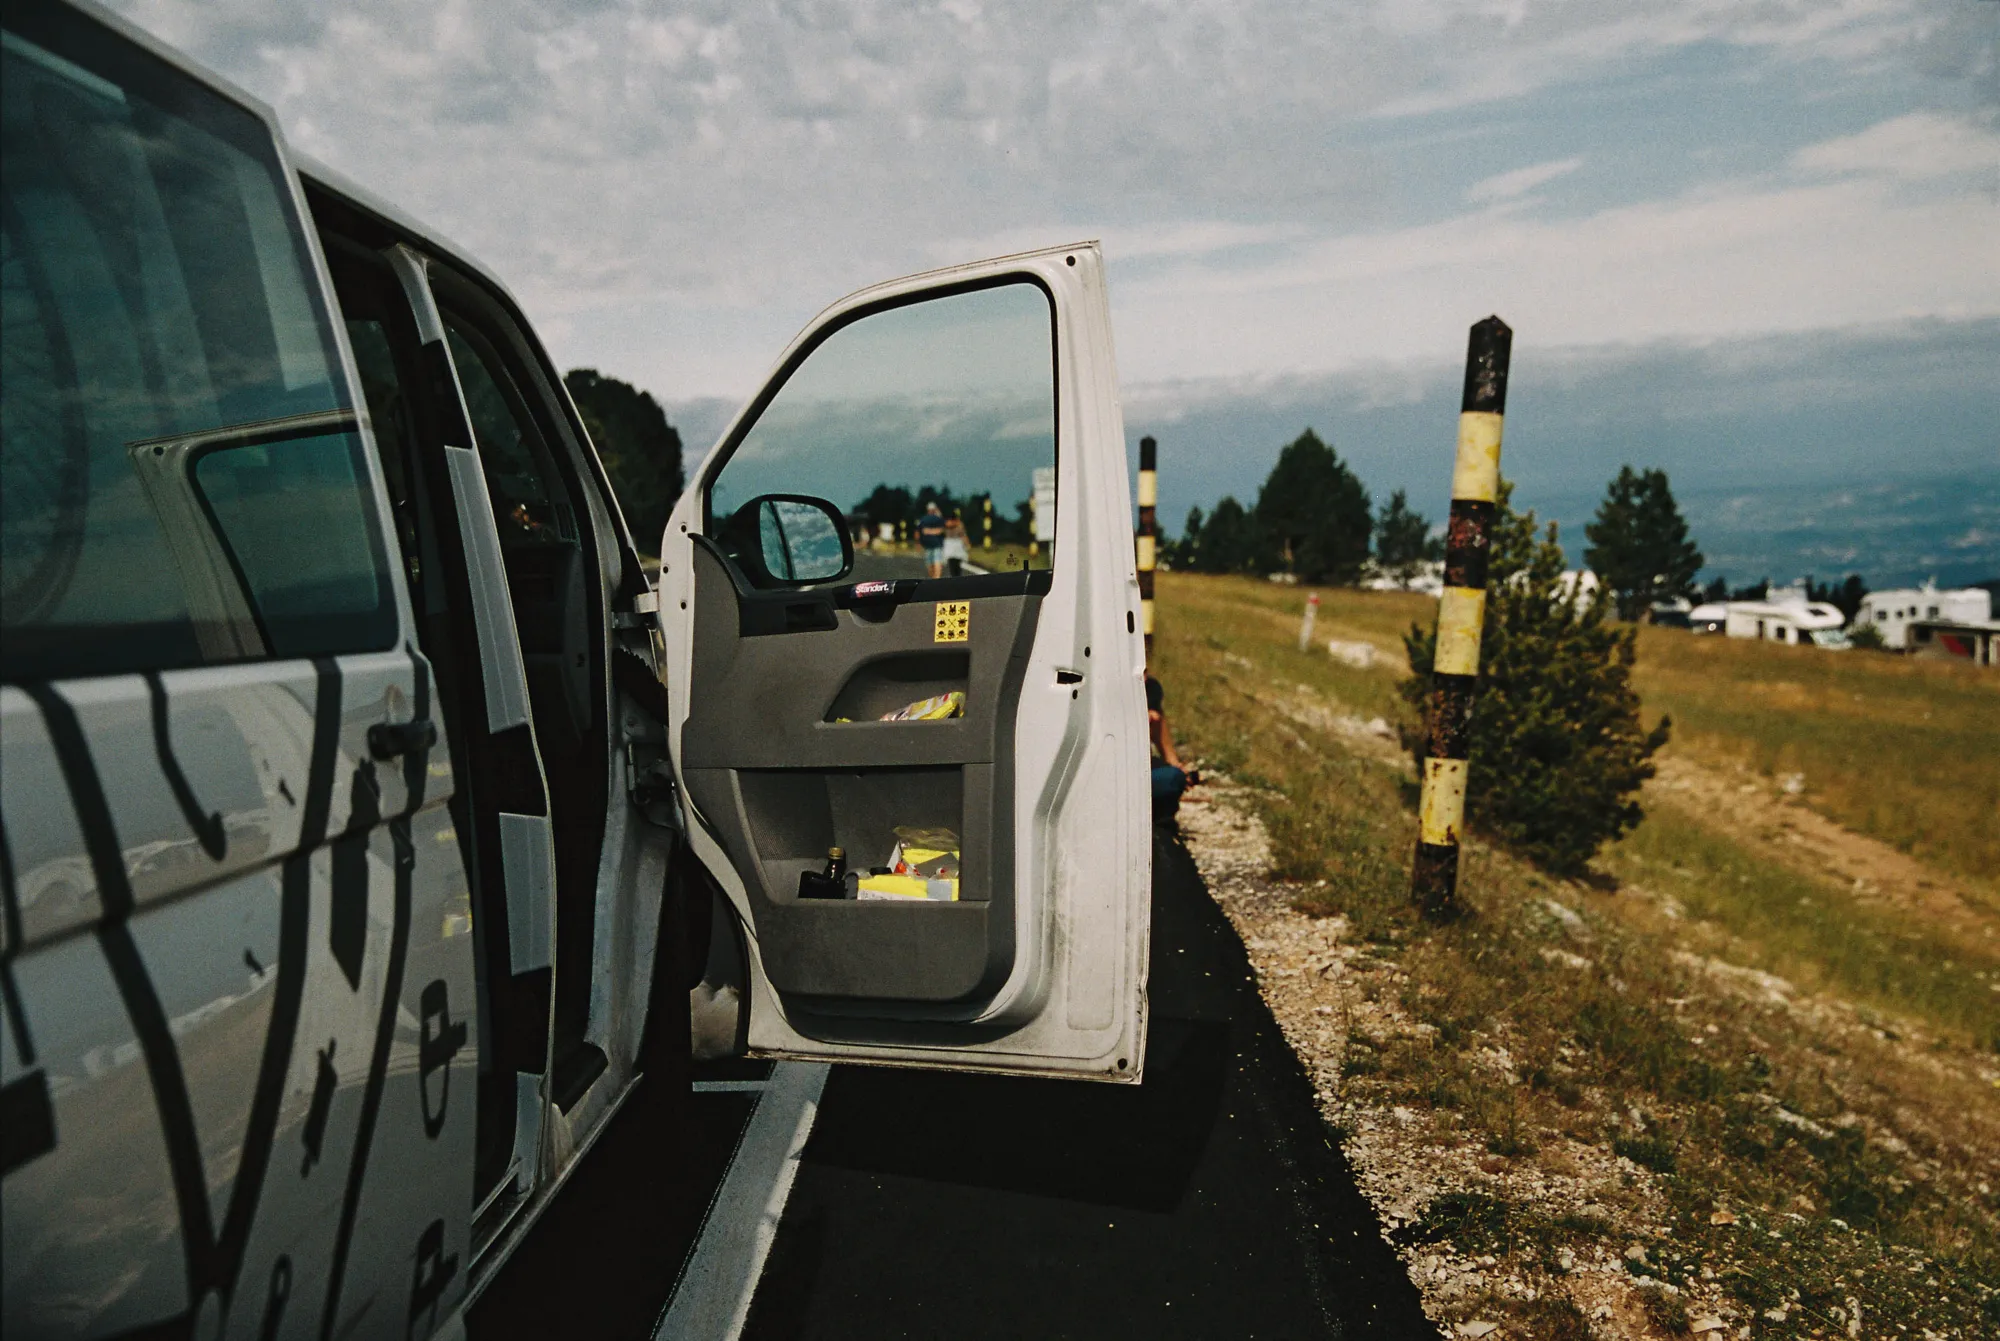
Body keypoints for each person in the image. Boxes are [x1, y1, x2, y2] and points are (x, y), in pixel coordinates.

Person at [1147, 674, 1198, 822]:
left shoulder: (1150, 686)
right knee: (1171, 779)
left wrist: (1173, 762)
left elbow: (1157, 720)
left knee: (1174, 775)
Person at [915, 501, 948, 578]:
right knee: (937, 561)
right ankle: (937, 578)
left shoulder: (922, 519)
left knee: (929, 563)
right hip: (937, 544)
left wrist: (918, 543)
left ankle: (933, 578)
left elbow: (918, 532)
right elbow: (943, 529)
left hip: (927, 544)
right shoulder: (939, 519)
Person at [941, 512, 970, 577]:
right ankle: (956, 576)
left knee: (953, 563)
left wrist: (966, 543)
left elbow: (963, 535)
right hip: (954, 544)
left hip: (953, 544)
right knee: (955, 563)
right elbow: (963, 535)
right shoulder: (958, 524)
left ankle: (955, 576)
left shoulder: (946, 524)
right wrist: (967, 544)